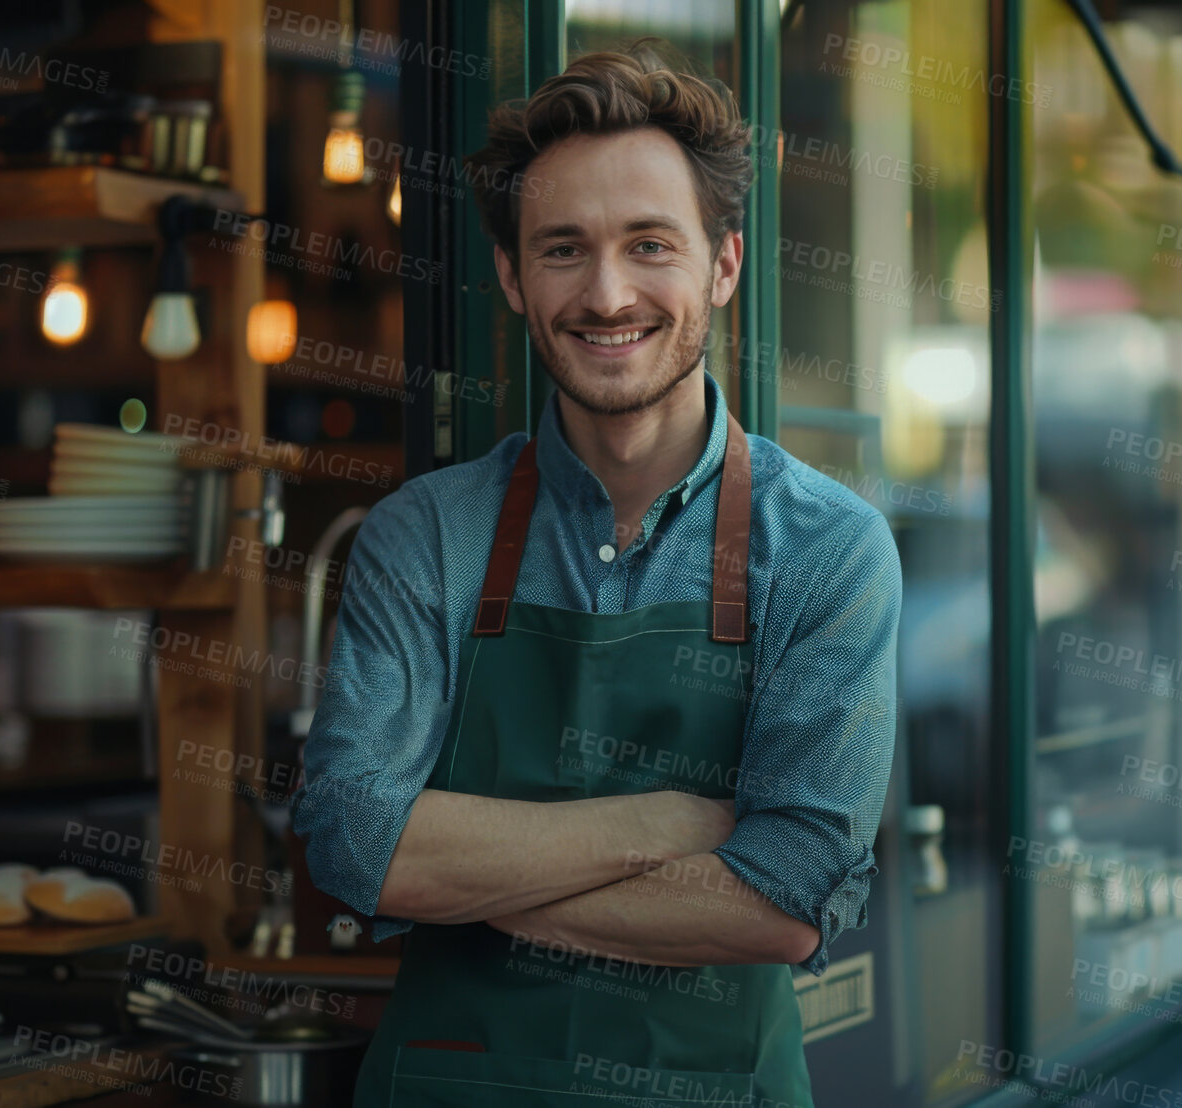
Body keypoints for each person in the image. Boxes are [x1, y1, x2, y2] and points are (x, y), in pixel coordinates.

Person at [292, 39, 902, 1107]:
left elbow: (781, 899)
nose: (606, 292)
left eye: (649, 244)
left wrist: (463, 877)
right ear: (512, 278)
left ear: (722, 263)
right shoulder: (422, 538)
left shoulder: (826, 552)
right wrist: (664, 824)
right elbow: (353, 843)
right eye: (563, 248)